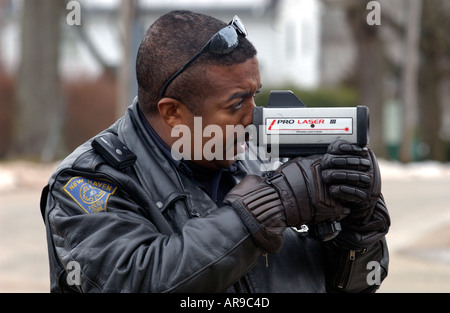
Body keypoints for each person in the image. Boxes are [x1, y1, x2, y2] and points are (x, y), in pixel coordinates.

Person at [40, 10, 390, 293]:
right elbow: (134, 280)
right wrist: (260, 212)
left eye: (255, 94)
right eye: (236, 103)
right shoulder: (87, 182)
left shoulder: (261, 152)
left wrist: (357, 229)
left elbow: (350, 285)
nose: (255, 116)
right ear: (172, 113)